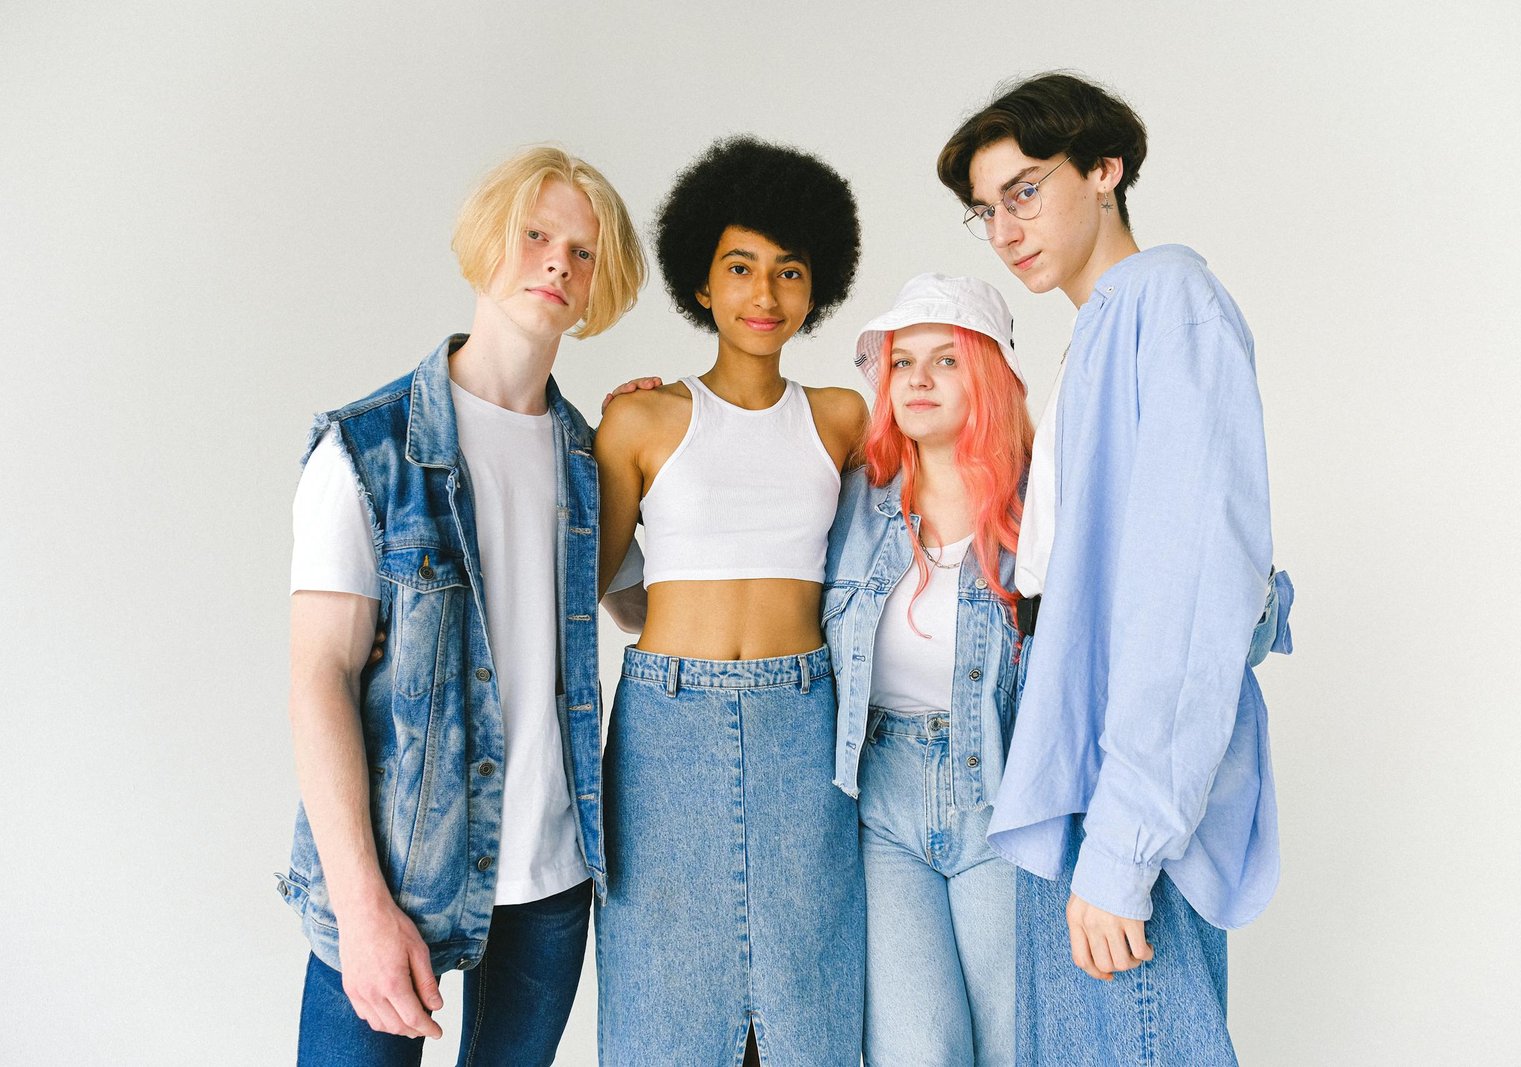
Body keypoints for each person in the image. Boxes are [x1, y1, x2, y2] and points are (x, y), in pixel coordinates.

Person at [936, 73, 1295, 1065]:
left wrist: (1124, 842)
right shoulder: (1097, 330)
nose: (1005, 228)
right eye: (985, 210)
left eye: (1023, 190)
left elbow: (1191, 591)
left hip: (1124, 786)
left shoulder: (1168, 300)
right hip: (1079, 760)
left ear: (1105, 170)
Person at [277, 145, 647, 1066]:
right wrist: (360, 903)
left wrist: (670, 449)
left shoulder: (591, 461)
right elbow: (317, 677)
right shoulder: (368, 451)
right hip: (400, 875)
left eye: (584, 251)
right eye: (536, 235)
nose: (559, 262)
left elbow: (652, 614)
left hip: (552, 887)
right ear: (488, 245)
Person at [593, 136, 868, 1066]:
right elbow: (591, 581)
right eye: (740, 267)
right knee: (662, 1006)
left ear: (815, 288)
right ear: (701, 283)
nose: (764, 294)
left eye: (789, 272)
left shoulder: (841, 418)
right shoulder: (641, 420)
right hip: (666, 728)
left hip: (806, 723)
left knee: (811, 998)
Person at [823, 273, 1031, 1066]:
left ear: (987, 376)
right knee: (917, 1049)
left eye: (945, 360)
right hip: (882, 801)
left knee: (1016, 1043)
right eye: (901, 361)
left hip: (1002, 800)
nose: (916, 378)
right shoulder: (851, 499)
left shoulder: (1039, 508)